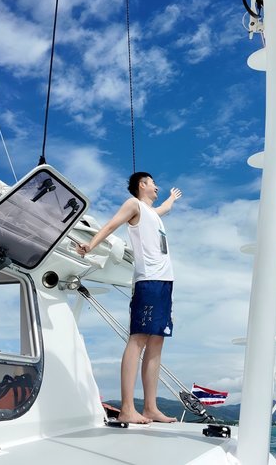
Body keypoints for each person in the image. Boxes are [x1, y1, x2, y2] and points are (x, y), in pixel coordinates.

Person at [77, 172, 181, 424]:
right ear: (142, 185)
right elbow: (112, 225)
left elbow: (164, 208)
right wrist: (91, 245)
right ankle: (126, 408)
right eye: (153, 183)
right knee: (139, 339)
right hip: (148, 281)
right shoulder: (134, 204)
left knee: (157, 341)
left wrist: (171, 198)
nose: (157, 187)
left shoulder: (153, 213)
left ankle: (150, 408)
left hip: (165, 283)